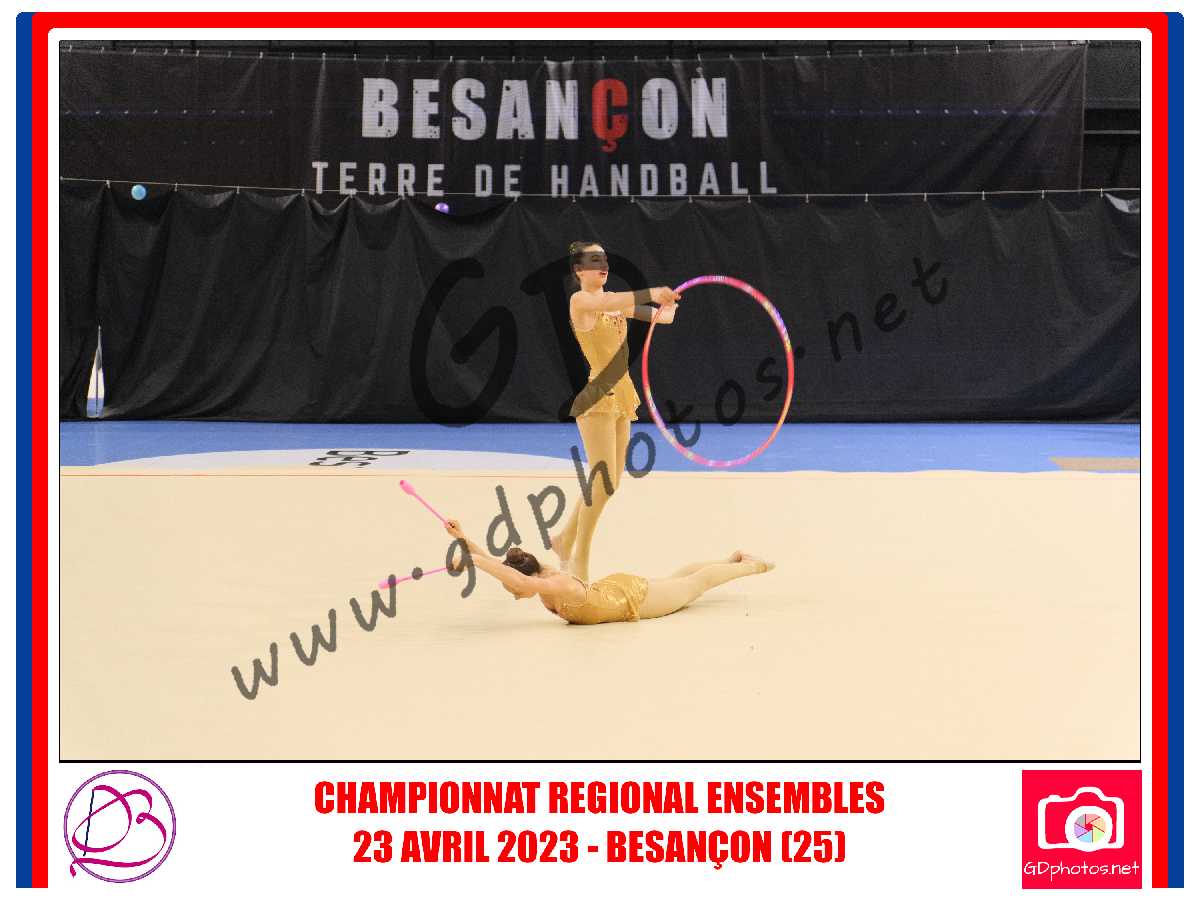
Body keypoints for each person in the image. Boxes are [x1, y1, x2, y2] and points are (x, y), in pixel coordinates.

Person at [550, 241, 682, 581]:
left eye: (605, 260)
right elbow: (608, 302)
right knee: (602, 481)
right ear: (579, 270)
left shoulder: (613, 304)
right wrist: (652, 292)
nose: (603, 265)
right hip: (598, 396)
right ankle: (579, 559)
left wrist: (669, 302)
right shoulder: (580, 301)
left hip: (622, 393)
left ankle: (564, 540)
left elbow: (662, 318)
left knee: (609, 483)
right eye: (594, 261)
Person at [445, 519, 773, 625]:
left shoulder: (555, 584)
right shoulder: (540, 581)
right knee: (677, 579)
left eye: (516, 590)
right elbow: (506, 570)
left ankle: (753, 565)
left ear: (529, 580)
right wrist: (462, 538)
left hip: (632, 598)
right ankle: (729, 560)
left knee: (692, 586)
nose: (516, 594)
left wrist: (472, 562)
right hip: (613, 589)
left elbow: (515, 579)